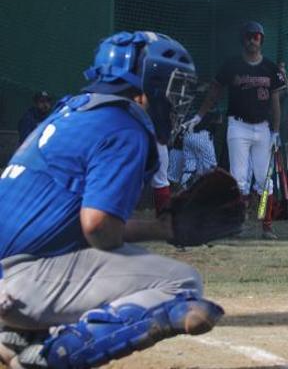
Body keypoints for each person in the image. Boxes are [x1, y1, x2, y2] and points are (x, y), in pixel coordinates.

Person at [0, 31, 223, 369]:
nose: (178, 100)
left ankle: (16, 336)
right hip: (19, 280)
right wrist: (160, 229)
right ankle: (47, 358)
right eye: (174, 88)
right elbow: (98, 228)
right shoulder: (124, 126)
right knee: (180, 283)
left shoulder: (72, 111)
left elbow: (76, 222)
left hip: (15, 271)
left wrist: (164, 228)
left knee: (79, 250)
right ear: (147, 88)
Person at [184, 21, 286, 240]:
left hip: (263, 128)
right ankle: (236, 224)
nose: (252, 40)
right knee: (239, 179)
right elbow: (214, 92)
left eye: (256, 36)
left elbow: (276, 102)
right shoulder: (232, 65)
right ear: (243, 39)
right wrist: (198, 116)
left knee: (264, 180)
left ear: (262, 40)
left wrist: (276, 132)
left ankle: (266, 225)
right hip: (238, 126)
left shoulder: (270, 68)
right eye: (249, 36)